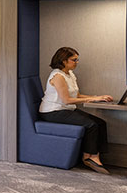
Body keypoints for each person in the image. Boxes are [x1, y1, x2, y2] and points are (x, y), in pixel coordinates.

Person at [39, 46, 113, 174]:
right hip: (53, 112)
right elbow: (66, 100)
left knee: (101, 123)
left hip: (66, 109)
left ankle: (95, 156)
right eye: (74, 60)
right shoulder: (57, 76)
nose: (77, 63)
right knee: (91, 125)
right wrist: (92, 100)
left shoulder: (70, 74)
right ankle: (88, 157)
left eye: (77, 60)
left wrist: (97, 97)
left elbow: (77, 95)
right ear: (64, 61)